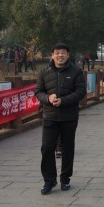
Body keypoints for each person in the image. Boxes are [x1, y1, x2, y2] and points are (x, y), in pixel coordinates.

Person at [35, 43, 86, 195]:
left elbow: (81, 91)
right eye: (57, 53)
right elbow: (38, 91)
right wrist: (48, 98)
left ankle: (65, 178)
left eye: (63, 52)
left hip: (69, 116)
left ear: (68, 55)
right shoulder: (44, 72)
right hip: (49, 116)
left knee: (67, 148)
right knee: (46, 148)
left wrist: (63, 101)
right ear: (52, 55)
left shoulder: (76, 71)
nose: (60, 55)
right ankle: (49, 180)